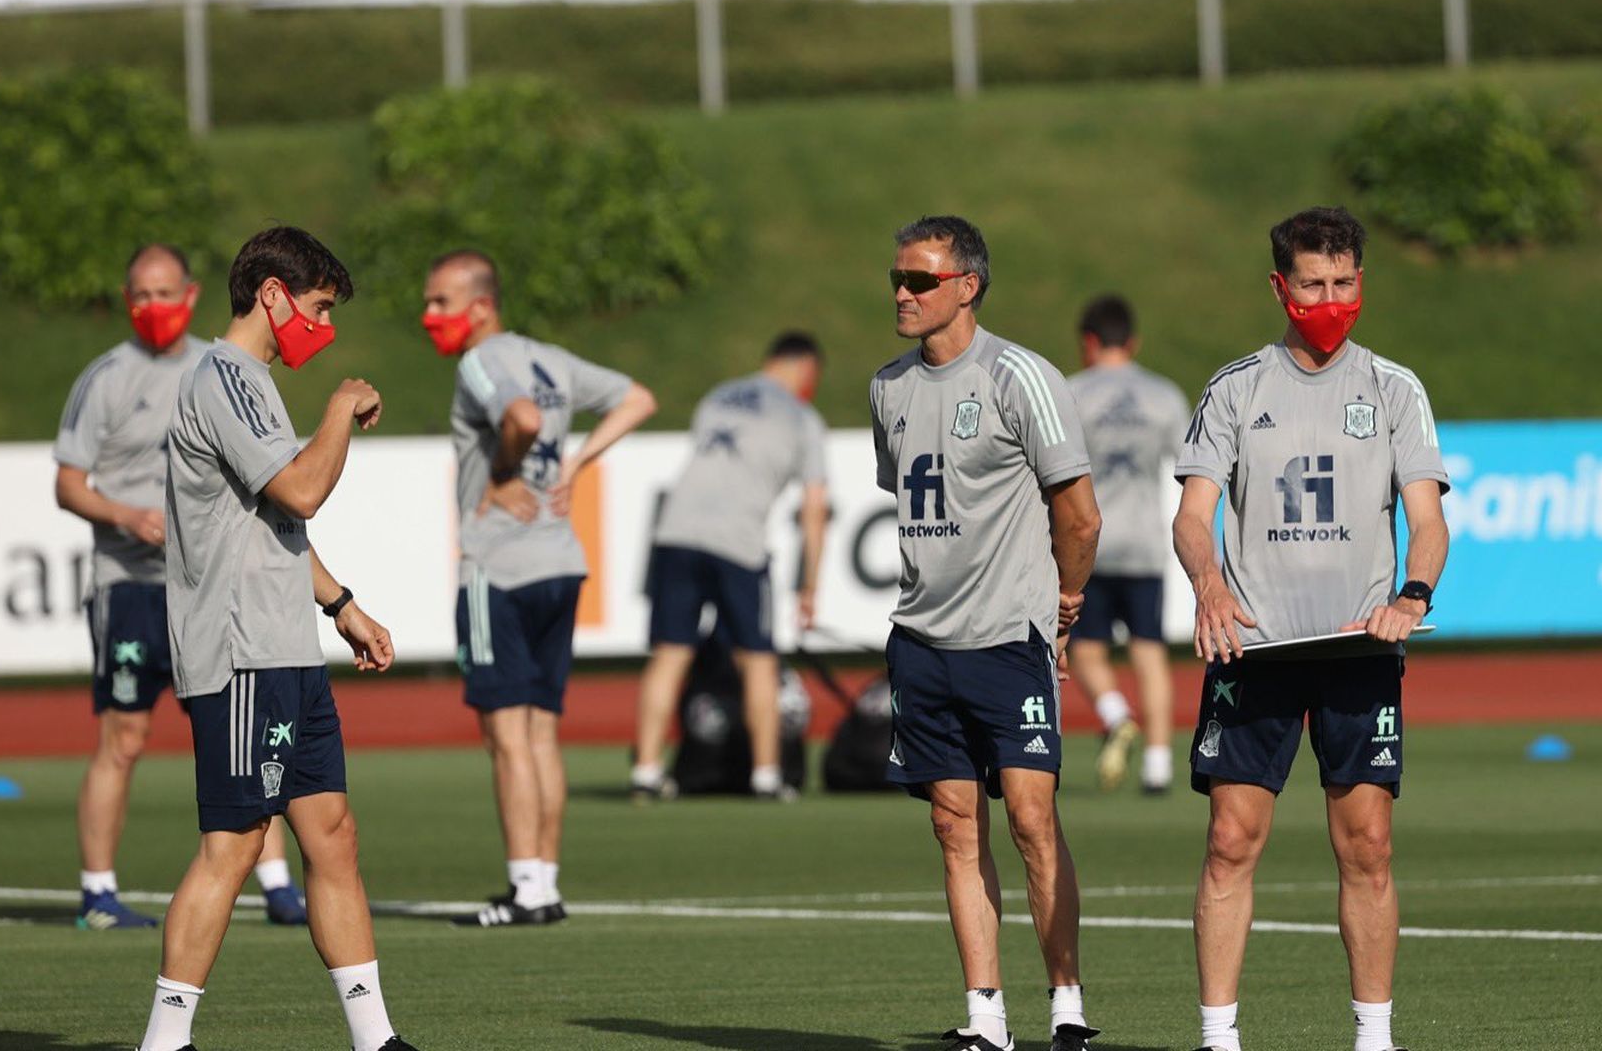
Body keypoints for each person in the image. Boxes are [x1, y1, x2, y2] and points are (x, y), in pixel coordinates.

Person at [1170, 206, 1449, 1051]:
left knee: (1365, 845)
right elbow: (1191, 514)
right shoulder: (1236, 386)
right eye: (1312, 284)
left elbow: (1428, 518)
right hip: (1253, 648)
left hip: (1359, 647)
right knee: (1230, 841)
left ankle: (1373, 1038)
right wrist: (1209, 582)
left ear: (1361, 281)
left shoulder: (1394, 388)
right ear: (1280, 287)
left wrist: (1414, 594)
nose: (1330, 298)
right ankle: (1219, 1039)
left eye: (1344, 282)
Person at [139, 226, 416, 1051]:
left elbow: (269, 528)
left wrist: (341, 605)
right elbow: (298, 491)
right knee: (234, 844)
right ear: (272, 294)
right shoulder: (223, 378)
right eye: (318, 307)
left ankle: (376, 1040)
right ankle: (165, 1042)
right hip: (239, 653)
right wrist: (337, 408)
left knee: (331, 831)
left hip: (286, 644)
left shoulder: (251, 381)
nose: (322, 326)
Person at [871, 215, 1104, 1051]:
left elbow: (1077, 514)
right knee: (952, 825)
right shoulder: (888, 387)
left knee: (1033, 820)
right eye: (898, 278)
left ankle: (1067, 1002)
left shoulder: (1021, 377)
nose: (902, 292)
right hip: (920, 643)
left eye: (920, 280)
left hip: (1008, 639)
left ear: (966, 285)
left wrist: (1065, 604)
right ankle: (985, 1017)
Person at [53, 243, 306, 931]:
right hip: (133, 586)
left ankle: (278, 884)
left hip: (213, 589)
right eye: (142, 294)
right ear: (126, 298)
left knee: (242, 734)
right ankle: (98, 893)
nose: (155, 307)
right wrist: (122, 513)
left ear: (191, 294)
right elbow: (68, 483)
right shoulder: (104, 378)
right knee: (124, 737)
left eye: (166, 293)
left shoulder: (223, 367)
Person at [420, 249, 656, 926]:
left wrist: (500, 470)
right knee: (543, 734)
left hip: (501, 565)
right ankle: (544, 882)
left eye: (440, 302)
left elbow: (519, 420)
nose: (428, 314)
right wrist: (580, 458)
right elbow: (638, 399)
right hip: (562, 561)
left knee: (507, 737)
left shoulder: (480, 362)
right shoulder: (552, 359)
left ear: (480, 306)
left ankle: (524, 888)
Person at [632, 331, 829, 801]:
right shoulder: (802, 418)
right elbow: (814, 508)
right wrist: (809, 586)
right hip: (739, 543)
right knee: (757, 658)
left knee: (670, 653)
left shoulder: (717, 397)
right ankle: (764, 776)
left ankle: (645, 770)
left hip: (675, 532)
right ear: (806, 369)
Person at [1064, 294, 1190, 794]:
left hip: (1089, 541)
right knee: (1149, 652)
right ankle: (1158, 764)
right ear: (1132, 343)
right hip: (1144, 542)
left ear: (1088, 343)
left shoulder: (1070, 393)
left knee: (1086, 649)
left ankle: (1116, 714)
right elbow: (1190, 466)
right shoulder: (1163, 395)